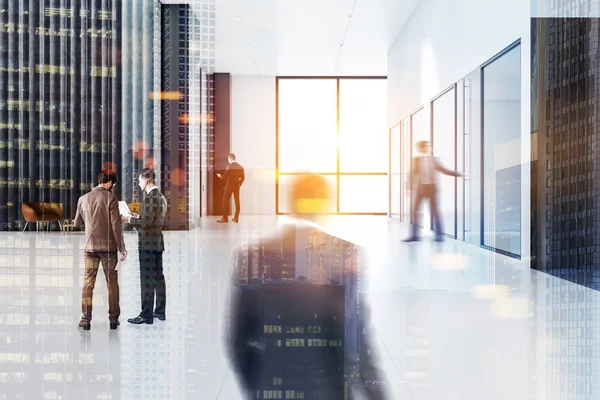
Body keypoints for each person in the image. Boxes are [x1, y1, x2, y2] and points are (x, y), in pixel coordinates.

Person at [226, 174, 389, 399]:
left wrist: (259, 386)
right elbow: (357, 342)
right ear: (327, 206)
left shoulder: (251, 257)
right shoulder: (346, 255)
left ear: (290, 205)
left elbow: (238, 340)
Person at [74, 170, 127, 331]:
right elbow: (115, 227)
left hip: (90, 248)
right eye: (113, 184)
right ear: (109, 182)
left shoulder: (83, 199)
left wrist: (90, 230)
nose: (113, 187)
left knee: (88, 284)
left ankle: (86, 319)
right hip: (109, 250)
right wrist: (122, 248)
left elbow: (77, 223)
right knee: (112, 284)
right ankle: (113, 320)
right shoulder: (111, 198)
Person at [121, 168, 168, 325]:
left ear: (147, 181)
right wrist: (137, 216)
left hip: (147, 244)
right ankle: (160, 312)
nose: (139, 183)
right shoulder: (160, 197)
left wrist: (128, 220)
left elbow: (146, 223)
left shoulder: (150, 198)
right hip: (157, 243)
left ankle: (146, 315)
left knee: (147, 279)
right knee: (158, 278)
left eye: (140, 181)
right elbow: (151, 219)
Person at [404, 140, 463, 242]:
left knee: (435, 212)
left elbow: (444, 170)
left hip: (432, 188)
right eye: (426, 146)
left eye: (429, 146)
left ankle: (439, 236)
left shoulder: (434, 160)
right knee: (415, 212)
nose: (429, 147)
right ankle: (414, 236)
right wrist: (409, 188)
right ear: (421, 148)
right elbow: (411, 174)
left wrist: (457, 174)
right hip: (420, 188)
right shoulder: (416, 160)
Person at [216, 153, 244, 223]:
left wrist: (219, 175)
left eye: (228, 159)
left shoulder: (229, 166)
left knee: (225, 201)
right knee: (237, 202)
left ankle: (225, 218)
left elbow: (224, 177)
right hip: (236, 187)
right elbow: (243, 178)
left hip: (229, 187)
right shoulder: (241, 167)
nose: (228, 160)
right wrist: (238, 184)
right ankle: (236, 218)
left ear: (231, 159)